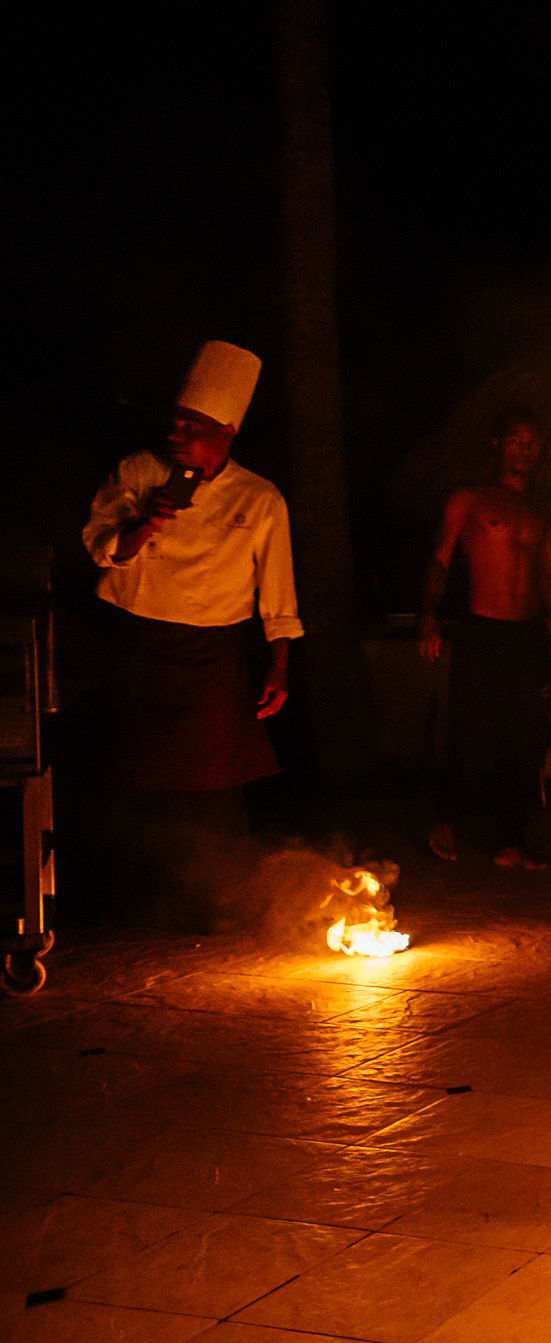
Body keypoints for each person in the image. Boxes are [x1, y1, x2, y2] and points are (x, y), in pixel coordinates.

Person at [80, 342, 299, 918]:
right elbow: (101, 550)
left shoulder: (259, 498)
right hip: (137, 641)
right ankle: (129, 900)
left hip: (212, 652)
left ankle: (218, 900)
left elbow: (276, 593)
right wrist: (144, 522)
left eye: (192, 426)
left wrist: (278, 665)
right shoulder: (138, 472)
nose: (176, 433)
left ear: (226, 432)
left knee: (214, 785)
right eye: (173, 423)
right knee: (135, 776)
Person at [418, 407, 551, 868]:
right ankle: (446, 817)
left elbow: (547, 575)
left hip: (527, 636)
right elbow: (439, 560)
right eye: (515, 440)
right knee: (473, 737)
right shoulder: (469, 498)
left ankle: (510, 842)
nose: (524, 449)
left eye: (531, 442)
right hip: (481, 629)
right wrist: (428, 616)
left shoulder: (543, 509)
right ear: (497, 445)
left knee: (526, 741)